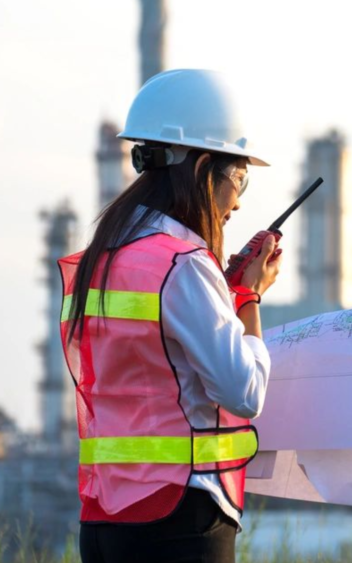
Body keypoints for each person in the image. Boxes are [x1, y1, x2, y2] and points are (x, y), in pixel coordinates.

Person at [58, 69, 281, 563]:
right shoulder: (183, 265)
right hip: (180, 518)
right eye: (239, 175)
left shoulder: (104, 256)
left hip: (104, 519)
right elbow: (244, 392)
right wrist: (246, 297)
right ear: (204, 166)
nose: (239, 200)